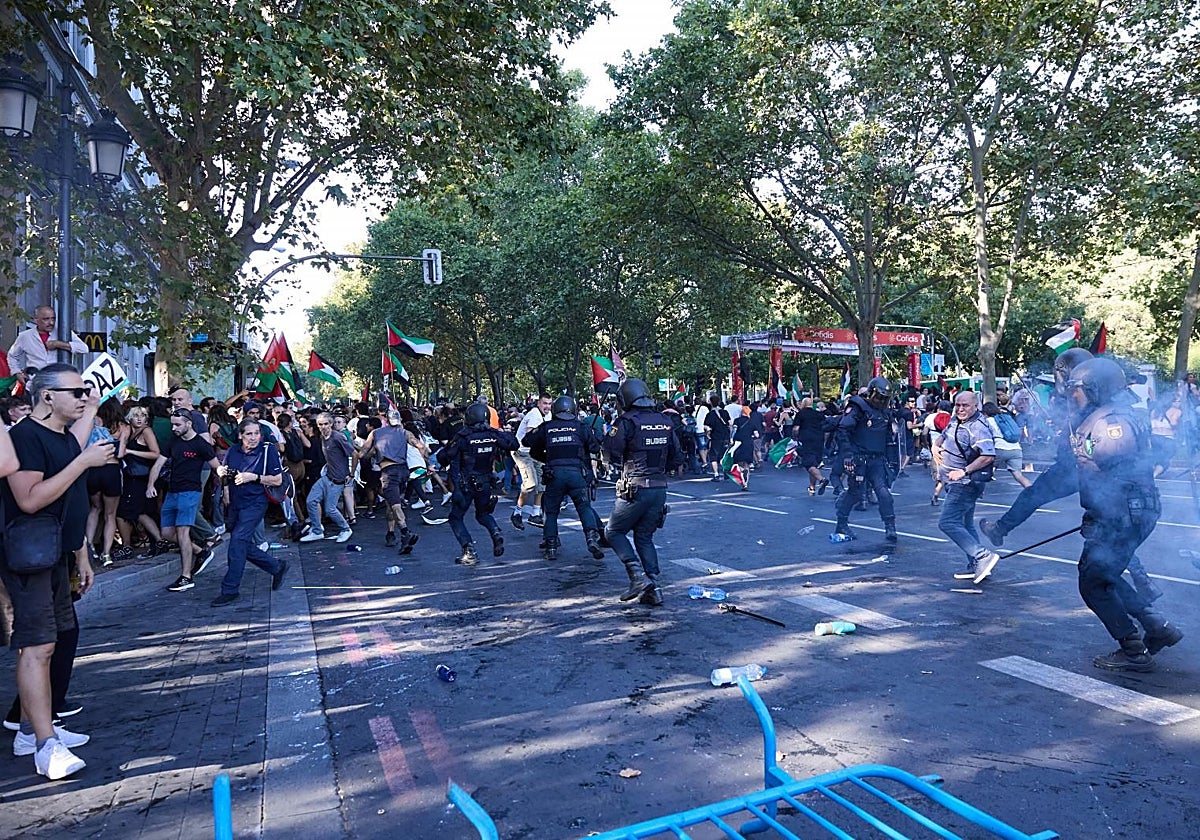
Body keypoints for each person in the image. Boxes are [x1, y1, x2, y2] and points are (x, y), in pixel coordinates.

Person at [0, 363, 116, 779]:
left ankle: (32, 730)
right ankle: (45, 745)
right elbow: (30, 500)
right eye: (77, 392)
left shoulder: (62, 435)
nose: (84, 398)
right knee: (38, 646)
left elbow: (68, 502)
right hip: (29, 557)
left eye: (86, 391)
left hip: (56, 554)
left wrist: (81, 552)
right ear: (47, 396)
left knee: (58, 640)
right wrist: (83, 463)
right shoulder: (26, 437)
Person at [1066, 358, 1183, 671]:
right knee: (1105, 576)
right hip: (1124, 513)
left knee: (1093, 582)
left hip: (1120, 515)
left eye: (1077, 388)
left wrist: (1103, 515)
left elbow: (1116, 475)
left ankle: (1133, 651)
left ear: (1096, 389)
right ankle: (1157, 627)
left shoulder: (1110, 424)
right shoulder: (1109, 416)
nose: (1072, 394)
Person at [979, 348, 1093, 548]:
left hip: (1076, 466)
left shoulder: (1087, 397)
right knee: (1106, 528)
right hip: (1089, 468)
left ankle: (1000, 529)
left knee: (1033, 495)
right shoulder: (1094, 397)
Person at [604, 378, 681, 606]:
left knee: (613, 532)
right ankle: (654, 588)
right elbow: (677, 456)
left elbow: (610, 453)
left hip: (635, 487)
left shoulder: (626, 422)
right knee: (644, 536)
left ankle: (637, 577)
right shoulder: (665, 420)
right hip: (659, 488)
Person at [211, 418, 289, 607]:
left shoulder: (267, 450)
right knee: (242, 544)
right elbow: (226, 473)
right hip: (235, 502)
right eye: (249, 434)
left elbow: (277, 480)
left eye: (256, 433)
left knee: (237, 541)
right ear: (240, 435)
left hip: (255, 502)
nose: (253, 438)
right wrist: (223, 477)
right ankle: (276, 566)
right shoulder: (233, 451)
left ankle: (230, 589)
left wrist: (253, 477)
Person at [522, 395, 605, 562]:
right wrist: (591, 435)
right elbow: (595, 447)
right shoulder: (581, 427)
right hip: (576, 474)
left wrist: (547, 457)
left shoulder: (547, 427)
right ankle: (591, 538)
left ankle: (551, 546)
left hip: (554, 474)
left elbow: (527, 442)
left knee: (551, 511)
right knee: (584, 507)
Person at [437, 402, 519, 566]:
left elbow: (445, 457)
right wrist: (500, 432)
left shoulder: (463, 436)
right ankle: (495, 532)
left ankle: (469, 551)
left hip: (465, 483)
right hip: (485, 481)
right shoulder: (493, 434)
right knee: (483, 514)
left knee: (455, 517)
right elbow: (513, 444)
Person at [934, 392, 999, 583]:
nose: (960, 409)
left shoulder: (978, 427)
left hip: (965, 484)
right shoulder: (956, 420)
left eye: (965, 405)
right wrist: (936, 445)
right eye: (957, 405)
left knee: (947, 523)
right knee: (965, 523)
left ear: (976, 406)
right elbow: (944, 435)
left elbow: (988, 456)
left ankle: (982, 556)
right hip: (954, 482)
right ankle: (976, 564)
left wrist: (964, 471)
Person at [831, 377, 898, 543]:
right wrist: (848, 455)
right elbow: (844, 429)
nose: (881, 401)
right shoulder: (858, 407)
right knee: (854, 493)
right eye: (879, 397)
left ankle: (890, 526)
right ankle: (841, 524)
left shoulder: (886, 412)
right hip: (859, 458)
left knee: (884, 493)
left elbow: (889, 438)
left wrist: (893, 462)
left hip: (877, 460)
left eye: (884, 398)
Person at [162, 409, 221, 593]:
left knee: (182, 532)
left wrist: (226, 486)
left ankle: (186, 576)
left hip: (190, 491)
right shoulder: (174, 440)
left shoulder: (201, 444)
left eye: (177, 424)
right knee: (166, 533)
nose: (174, 428)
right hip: (173, 491)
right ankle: (200, 551)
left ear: (189, 423)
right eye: (172, 424)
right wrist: (150, 484)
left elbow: (216, 466)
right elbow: (159, 461)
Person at [353, 411, 419, 553]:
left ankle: (405, 532)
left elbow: (363, 453)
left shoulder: (377, 434)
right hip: (402, 471)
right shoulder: (404, 433)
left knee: (394, 504)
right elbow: (421, 446)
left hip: (389, 473)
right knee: (392, 503)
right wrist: (427, 464)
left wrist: (354, 450)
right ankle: (391, 533)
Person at [299, 412, 355, 543]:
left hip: (337, 480)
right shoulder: (323, 437)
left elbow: (354, 454)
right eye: (320, 424)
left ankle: (346, 529)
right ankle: (317, 531)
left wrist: (351, 474)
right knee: (311, 501)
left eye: (326, 424)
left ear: (331, 424)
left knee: (330, 509)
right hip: (327, 476)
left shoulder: (337, 437)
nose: (323, 427)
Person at [5, 306, 88, 380]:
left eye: (53, 319)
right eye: (46, 319)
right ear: (36, 319)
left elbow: (84, 348)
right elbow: (12, 356)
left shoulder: (63, 333)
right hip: (35, 382)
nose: (51, 323)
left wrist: (59, 344)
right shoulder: (25, 336)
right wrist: (17, 373)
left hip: (59, 382)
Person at [511, 394, 551, 530]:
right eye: (545, 403)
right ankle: (517, 513)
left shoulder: (548, 416)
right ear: (538, 404)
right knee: (530, 484)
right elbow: (530, 437)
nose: (547, 407)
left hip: (536, 452)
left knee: (542, 482)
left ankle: (535, 514)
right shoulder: (534, 414)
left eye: (549, 404)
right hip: (522, 451)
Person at [982, 402, 1031, 489]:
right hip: (1016, 449)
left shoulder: (989, 421)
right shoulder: (1006, 418)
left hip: (999, 448)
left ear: (985, 413)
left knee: (982, 469)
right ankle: (1031, 490)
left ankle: (978, 492)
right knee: (1018, 475)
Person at [793, 397, 826, 494]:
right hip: (819, 440)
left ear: (803, 404)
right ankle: (812, 487)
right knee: (814, 464)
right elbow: (826, 427)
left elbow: (796, 429)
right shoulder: (819, 414)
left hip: (806, 440)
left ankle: (821, 480)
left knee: (809, 464)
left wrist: (795, 437)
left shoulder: (801, 414)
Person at [703, 395, 731, 481]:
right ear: (719, 402)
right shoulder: (725, 412)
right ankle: (725, 471)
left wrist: (708, 433)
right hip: (725, 436)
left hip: (715, 436)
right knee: (724, 454)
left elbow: (706, 426)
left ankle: (716, 474)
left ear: (711, 403)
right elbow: (730, 423)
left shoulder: (710, 414)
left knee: (713, 455)